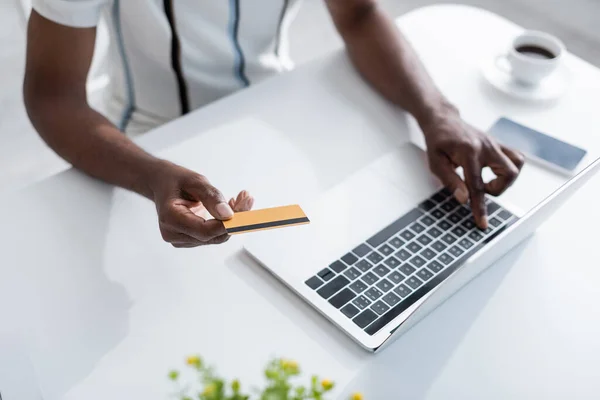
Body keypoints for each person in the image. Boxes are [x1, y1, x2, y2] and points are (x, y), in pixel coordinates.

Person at [23, 0, 524, 248]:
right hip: (150, 142)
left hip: (281, 115)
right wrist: (152, 176)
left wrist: (437, 113)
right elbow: (52, 95)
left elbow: (358, 14)